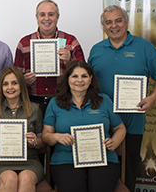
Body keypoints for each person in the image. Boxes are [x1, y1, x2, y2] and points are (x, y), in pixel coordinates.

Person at [88, 5, 156, 191]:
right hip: (102, 123)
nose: (114, 26)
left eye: (118, 20)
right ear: (103, 26)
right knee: (100, 172)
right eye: (108, 22)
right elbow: (86, 81)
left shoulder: (145, 47)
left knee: (129, 169)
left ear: (126, 22)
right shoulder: (96, 50)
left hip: (133, 122)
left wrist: (153, 98)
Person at [42, 60, 126, 192]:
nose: (79, 80)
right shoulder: (55, 103)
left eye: (84, 76)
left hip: (103, 159)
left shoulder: (104, 100)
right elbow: (46, 135)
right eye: (74, 76)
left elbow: (120, 128)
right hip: (66, 160)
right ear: (67, 79)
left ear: (91, 79)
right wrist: (57, 137)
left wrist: (114, 142)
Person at [0, 66, 45, 192]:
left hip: (30, 162)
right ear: (0, 87)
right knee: (10, 178)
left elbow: (42, 142)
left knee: (26, 178)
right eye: (5, 84)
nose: (10, 87)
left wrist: (35, 141)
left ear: (21, 85)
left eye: (14, 83)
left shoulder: (35, 109)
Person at [14, 0, 84, 114]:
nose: (47, 18)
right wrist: (23, 81)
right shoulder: (24, 43)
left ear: (57, 17)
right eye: (42, 14)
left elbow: (84, 75)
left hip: (64, 101)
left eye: (51, 14)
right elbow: (15, 77)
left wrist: (69, 62)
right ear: (37, 17)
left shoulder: (71, 41)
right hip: (32, 102)